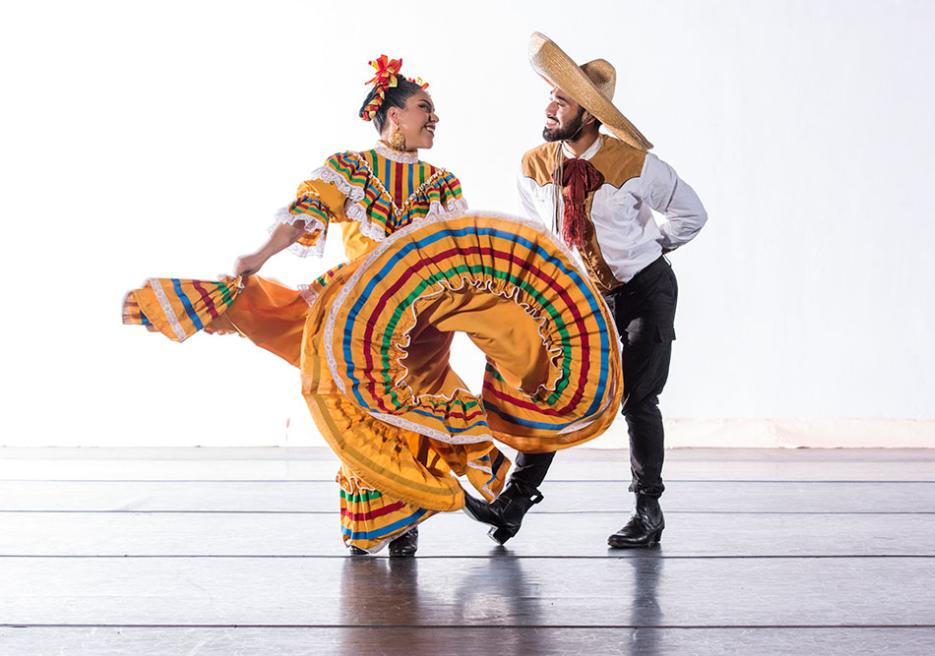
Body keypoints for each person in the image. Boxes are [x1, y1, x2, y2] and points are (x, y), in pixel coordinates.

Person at [123, 54, 622, 557]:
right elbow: (305, 216)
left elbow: (460, 251)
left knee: (414, 408)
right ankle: (378, 523)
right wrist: (259, 254)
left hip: (424, 321)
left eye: (434, 110)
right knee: (362, 406)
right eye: (425, 107)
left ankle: (406, 523)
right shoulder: (350, 169)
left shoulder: (442, 182)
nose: (434, 118)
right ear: (393, 116)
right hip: (359, 314)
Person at [463, 33, 708, 549]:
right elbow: (545, 238)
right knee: (555, 389)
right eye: (550, 97)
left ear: (589, 115)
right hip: (583, 298)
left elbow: (692, 214)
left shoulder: (635, 163)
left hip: (645, 291)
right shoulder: (532, 166)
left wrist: (651, 248)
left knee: (639, 400)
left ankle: (648, 510)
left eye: (561, 100)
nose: (550, 108)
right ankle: (512, 505)